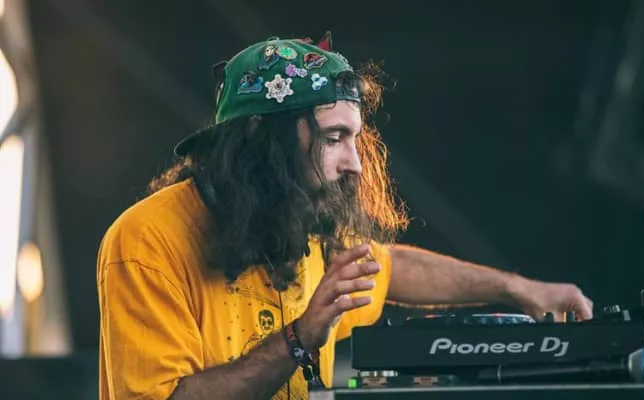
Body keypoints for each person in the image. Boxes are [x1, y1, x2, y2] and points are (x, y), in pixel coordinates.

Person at [97, 32, 593, 400]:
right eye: (334, 138)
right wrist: (299, 339)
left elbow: (389, 268)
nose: (354, 163)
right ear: (261, 140)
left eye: (354, 139)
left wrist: (518, 290)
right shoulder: (146, 240)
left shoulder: (298, 219)